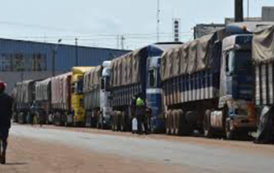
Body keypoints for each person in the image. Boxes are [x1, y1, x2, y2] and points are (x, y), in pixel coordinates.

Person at [0, 81, 13, 164]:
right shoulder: (9, 98)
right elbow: (11, 111)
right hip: (5, 122)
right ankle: (3, 151)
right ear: (4, 89)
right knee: (4, 139)